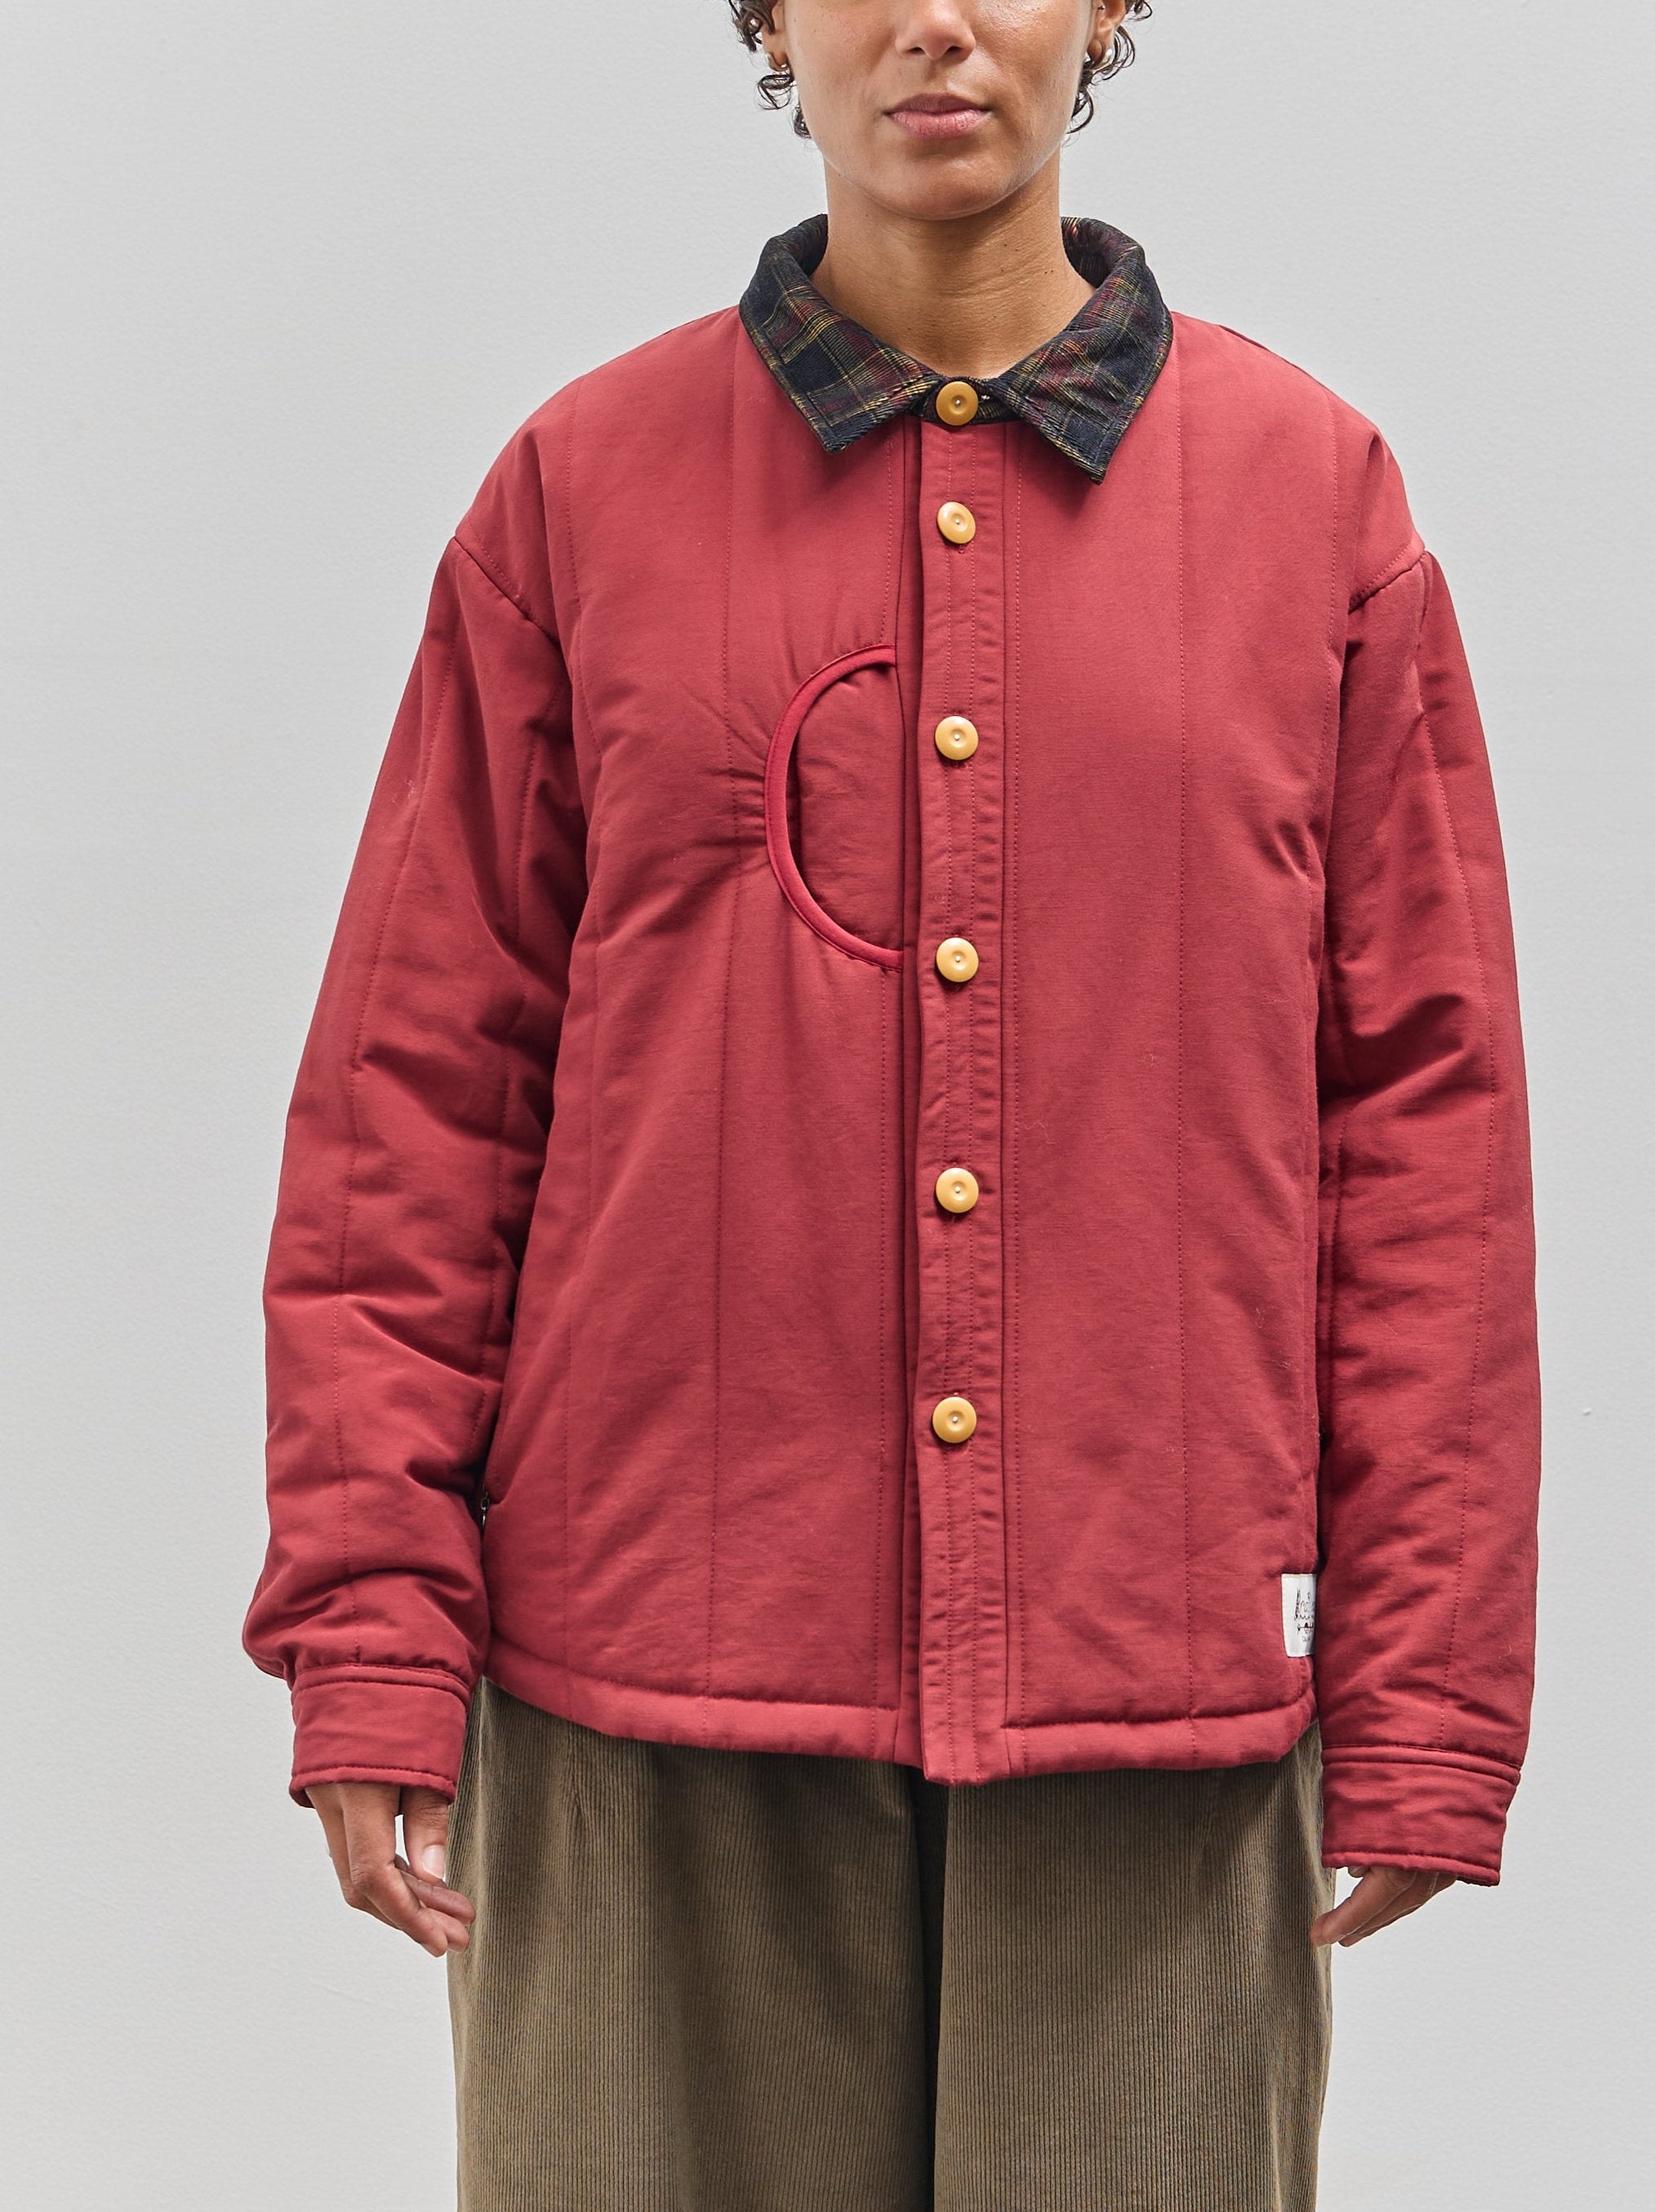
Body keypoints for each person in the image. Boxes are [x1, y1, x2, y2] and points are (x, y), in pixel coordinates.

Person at [243, 3, 1541, 2205]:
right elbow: (412, 1099)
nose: (937, 19)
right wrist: (371, 1630)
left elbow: (1425, 1131)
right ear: (765, 16)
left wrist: (1426, 1693)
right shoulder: (580, 493)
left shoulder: (1315, 502)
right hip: (643, 1686)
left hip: (1153, 1696)